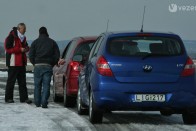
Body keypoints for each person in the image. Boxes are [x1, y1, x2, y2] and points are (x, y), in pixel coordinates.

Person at [29, 27, 60, 108]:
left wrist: (34, 63)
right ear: (46, 32)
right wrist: (52, 63)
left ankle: (37, 102)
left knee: (37, 85)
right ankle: (44, 102)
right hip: (48, 65)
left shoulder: (35, 42)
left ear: (39, 33)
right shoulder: (52, 42)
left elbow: (31, 55)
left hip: (37, 66)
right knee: (46, 85)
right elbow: (57, 55)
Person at [4, 23, 32, 104]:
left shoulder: (24, 38)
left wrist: (27, 49)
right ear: (19, 29)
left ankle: (24, 98)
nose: (25, 30)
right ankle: (8, 98)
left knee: (23, 82)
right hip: (13, 63)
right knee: (11, 82)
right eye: (24, 29)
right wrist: (20, 50)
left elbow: (25, 47)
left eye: (25, 28)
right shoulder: (10, 37)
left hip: (22, 63)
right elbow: (8, 49)